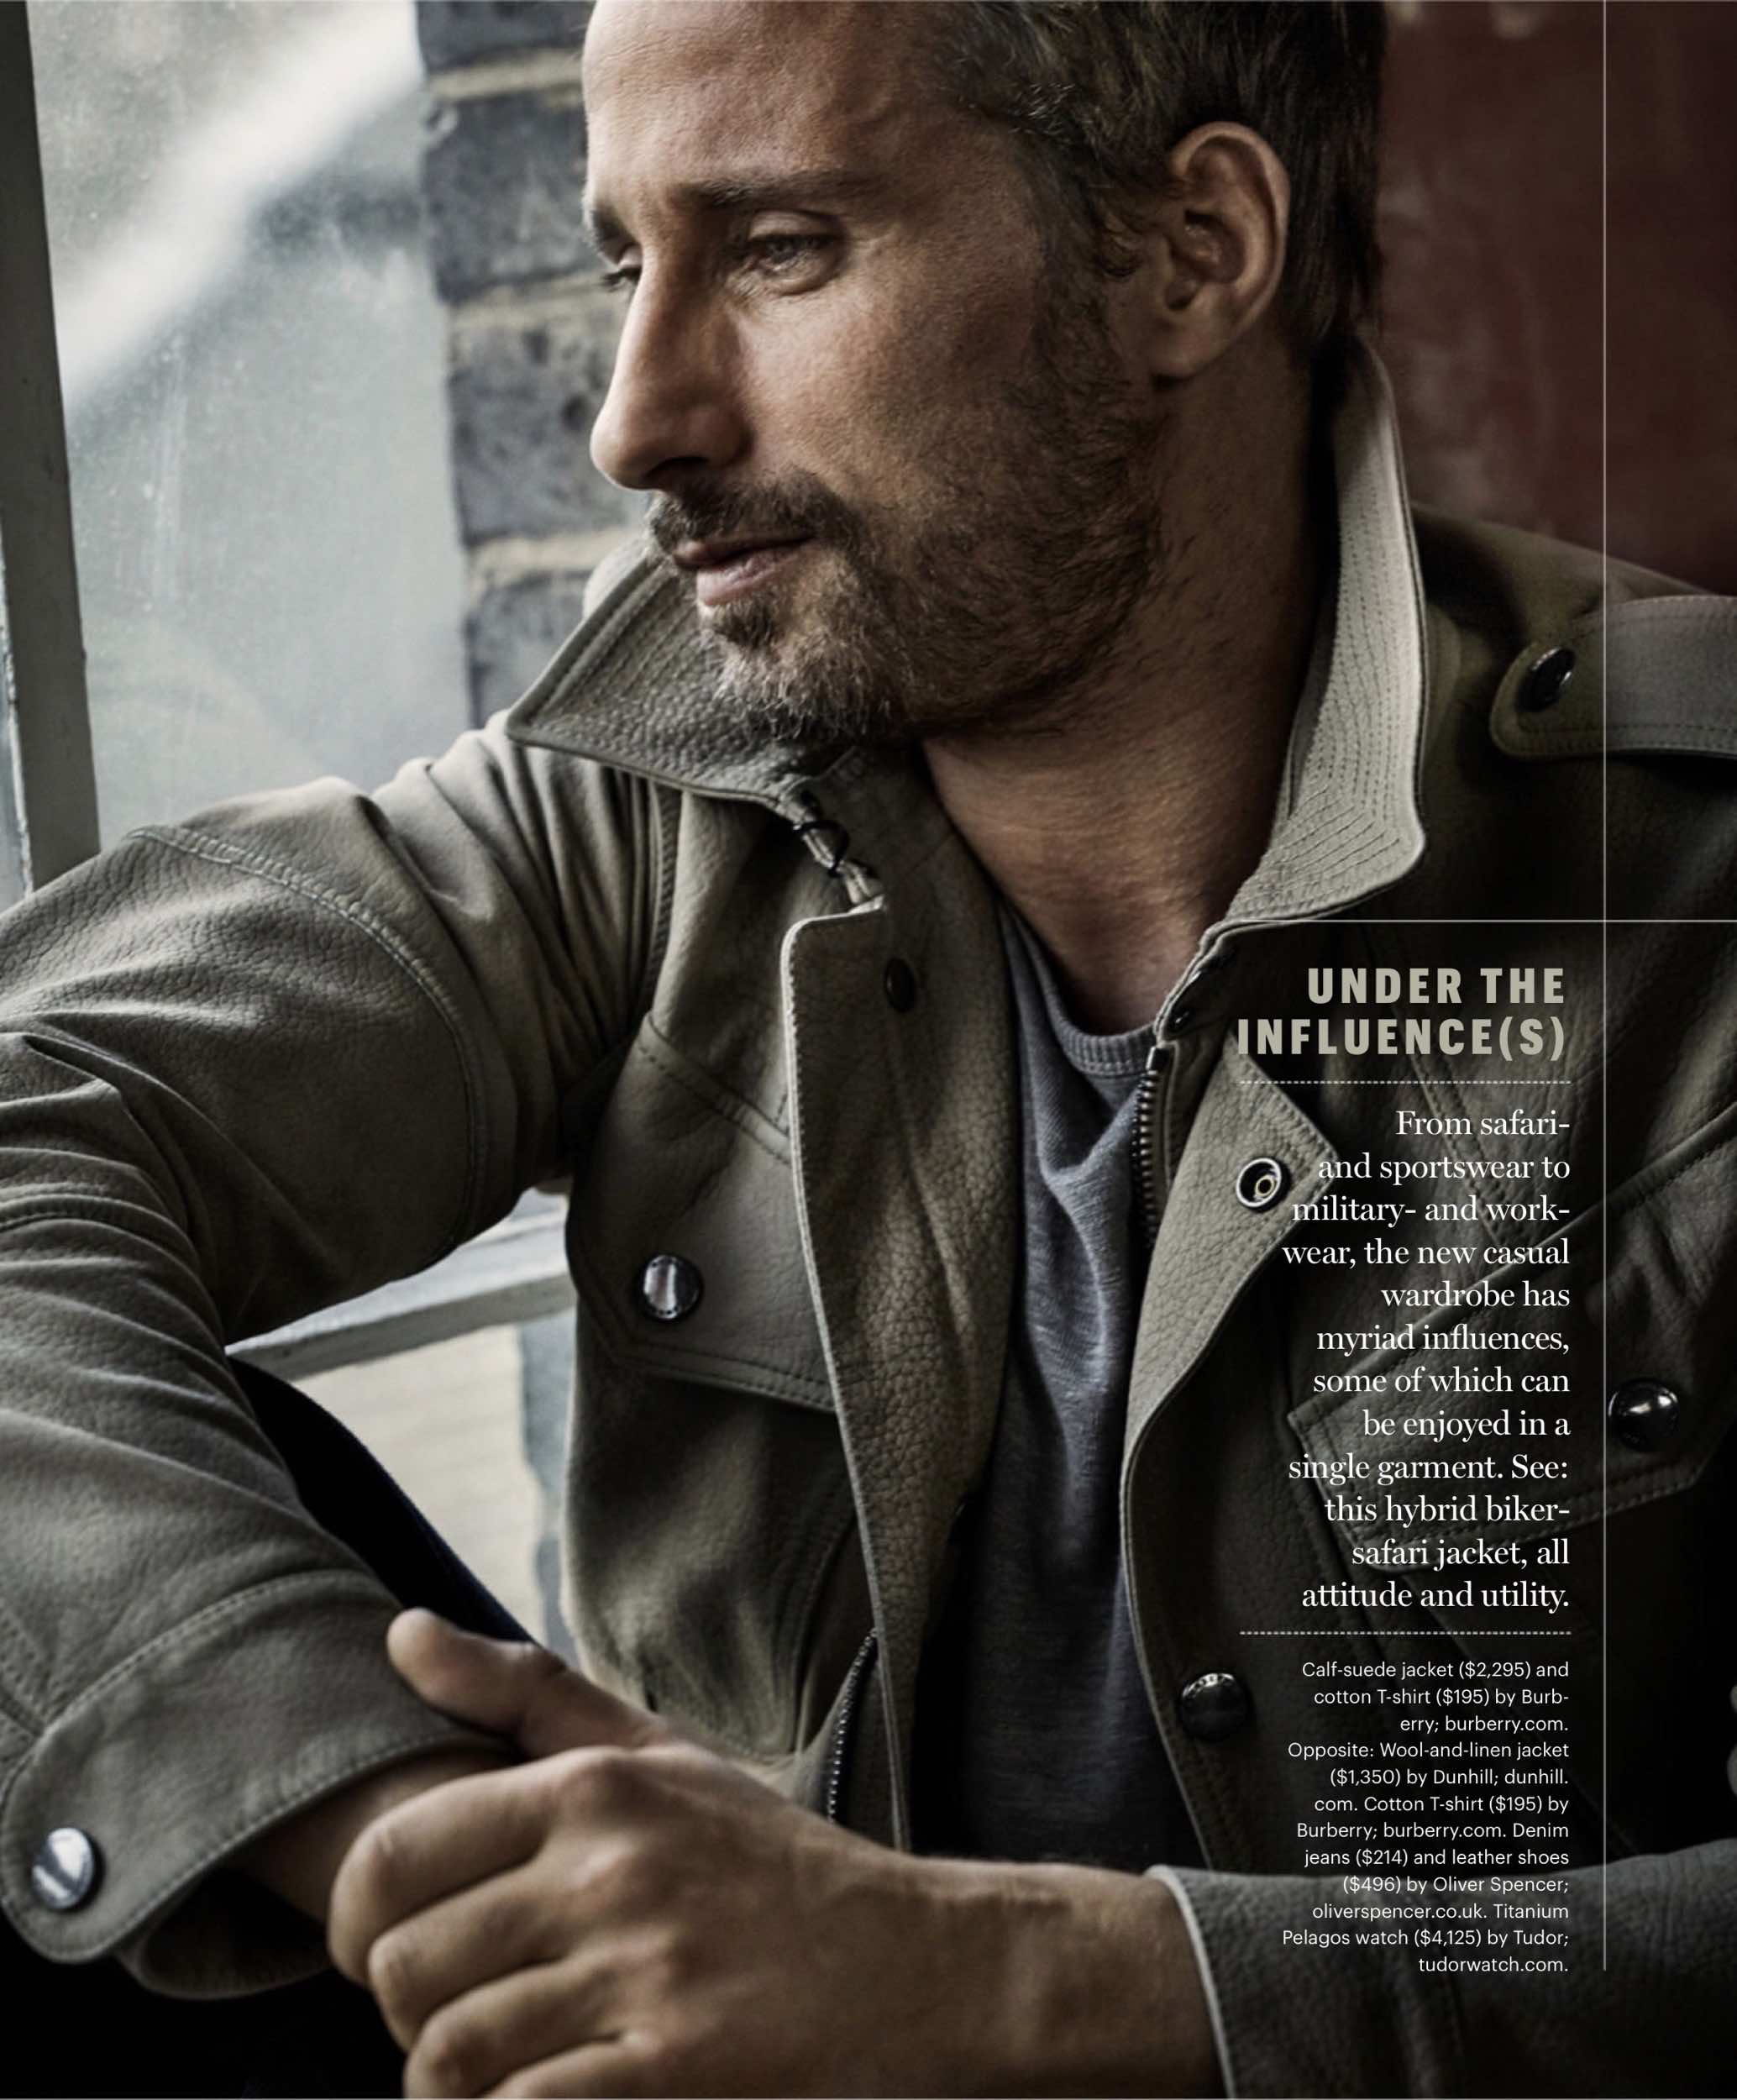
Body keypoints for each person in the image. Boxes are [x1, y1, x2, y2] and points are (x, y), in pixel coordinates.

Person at [2, 2, 1734, 2093]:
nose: (633, 420)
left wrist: (1007, 1987)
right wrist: (399, 1840)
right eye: (626, 261)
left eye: (778, 247)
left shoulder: (1683, 886)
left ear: (1189, 251)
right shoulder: (644, 812)